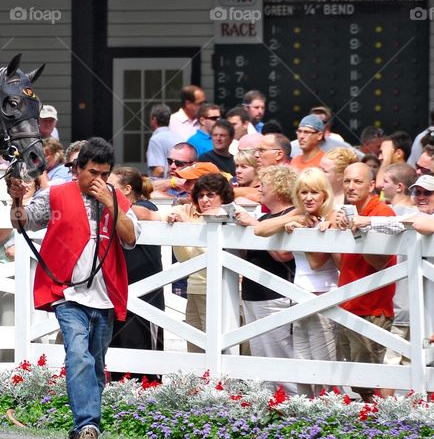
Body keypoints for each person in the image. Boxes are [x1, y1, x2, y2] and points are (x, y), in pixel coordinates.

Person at [8, 137, 138, 439]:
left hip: (105, 294)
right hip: (67, 292)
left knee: (95, 366)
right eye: (93, 172)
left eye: (105, 174)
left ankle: (83, 424)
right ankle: (87, 427)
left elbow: (131, 237)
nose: (99, 180)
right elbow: (22, 221)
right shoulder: (55, 193)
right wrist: (16, 201)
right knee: (78, 355)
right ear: (77, 169)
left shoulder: (116, 198)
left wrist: (111, 202)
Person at [253, 167, 339, 396]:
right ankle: (302, 418)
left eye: (314, 192)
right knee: (300, 362)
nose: (308, 198)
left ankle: (330, 417)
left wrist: (301, 233)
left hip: (324, 297)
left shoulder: (331, 216)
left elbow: (317, 262)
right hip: (299, 297)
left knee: (323, 365)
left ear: (325, 195)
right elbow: (259, 229)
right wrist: (288, 222)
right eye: (303, 192)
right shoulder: (300, 214)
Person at [325, 162, 397, 402]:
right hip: (348, 304)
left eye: (357, 181)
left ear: (372, 185)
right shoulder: (349, 212)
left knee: (370, 382)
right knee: (355, 382)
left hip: (372, 307)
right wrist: (336, 231)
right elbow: (341, 263)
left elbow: (380, 262)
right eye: (347, 181)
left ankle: (380, 427)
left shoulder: (382, 212)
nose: (351, 186)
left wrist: (357, 233)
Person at [232, 165, 298, 394]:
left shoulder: (290, 215)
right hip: (254, 294)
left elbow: (283, 255)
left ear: (279, 188)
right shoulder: (267, 216)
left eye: (265, 184)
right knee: (261, 357)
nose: (259, 188)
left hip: (277, 296)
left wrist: (253, 224)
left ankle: (289, 406)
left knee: (279, 356)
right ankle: (270, 406)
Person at [166, 171, 234, 353]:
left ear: (223, 197)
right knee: (195, 349)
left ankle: (217, 383)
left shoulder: (229, 217)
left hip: (217, 291)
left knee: (215, 350)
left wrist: (188, 224)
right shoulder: (200, 220)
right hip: (194, 288)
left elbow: (212, 255)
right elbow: (185, 258)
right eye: (201, 195)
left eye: (211, 195)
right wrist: (180, 231)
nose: (205, 200)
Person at [107, 167, 164, 380]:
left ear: (128, 189)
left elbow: (149, 215)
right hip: (118, 298)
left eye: (110, 187)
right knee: (117, 366)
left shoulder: (143, 206)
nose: (105, 190)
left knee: (145, 370)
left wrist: (108, 202)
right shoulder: (115, 212)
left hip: (145, 301)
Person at [146, 104, 182, 178]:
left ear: (154, 119)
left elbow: (159, 170)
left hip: (165, 186)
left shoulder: (155, 140)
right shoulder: (179, 137)